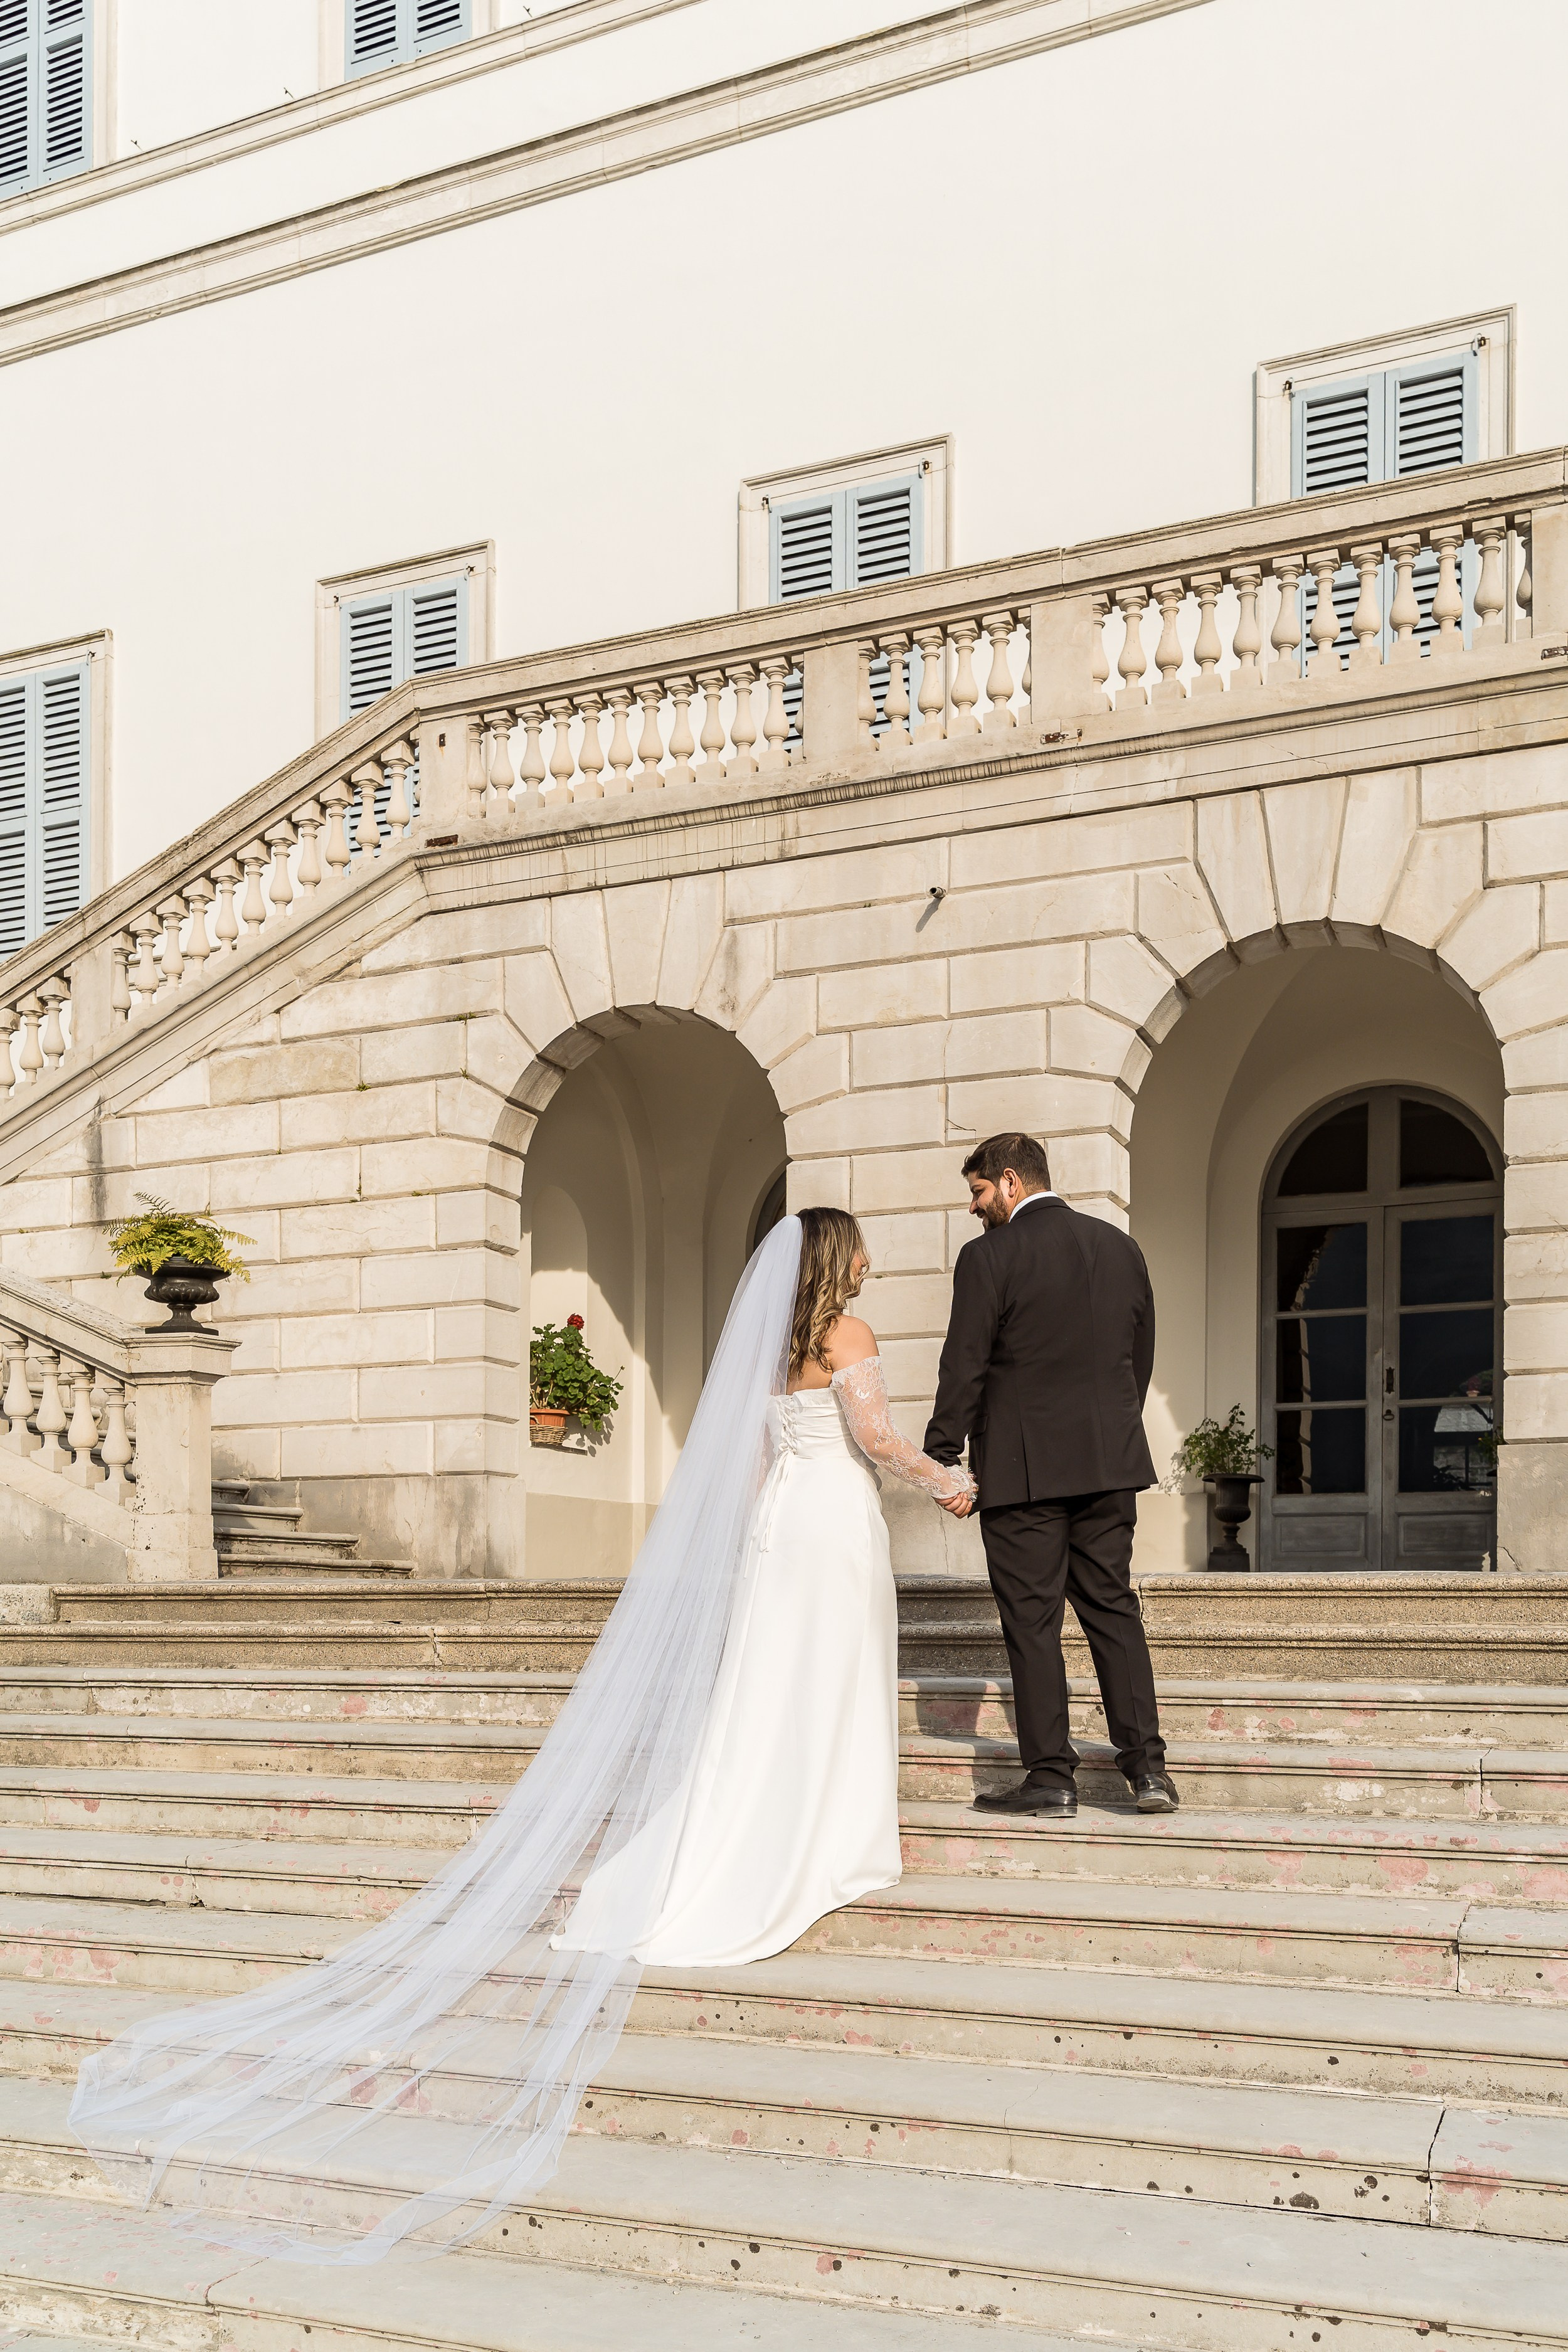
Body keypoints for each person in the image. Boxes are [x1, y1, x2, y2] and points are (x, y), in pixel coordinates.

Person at [70, 1206, 972, 2265]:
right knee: (825, 1680)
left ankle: (764, 1828)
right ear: (839, 1261)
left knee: (770, 1691)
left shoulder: (773, 1348)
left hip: (784, 1532)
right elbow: (872, 1439)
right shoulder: (851, 1342)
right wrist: (949, 1481)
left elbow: (747, 1475)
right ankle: (827, 1839)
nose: (873, 1258)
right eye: (861, 1245)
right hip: (832, 1528)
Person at [924, 1131, 1177, 1818]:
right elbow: (1138, 1357)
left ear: (1010, 1182)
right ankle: (1147, 1772)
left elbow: (965, 1363)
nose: (975, 1209)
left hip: (1022, 1471)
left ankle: (1050, 1779)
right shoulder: (1120, 1247)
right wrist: (1109, 1434)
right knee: (1112, 1611)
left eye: (978, 1193)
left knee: (1033, 1625)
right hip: (1108, 1463)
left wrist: (941, 1454)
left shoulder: (987, 1258)